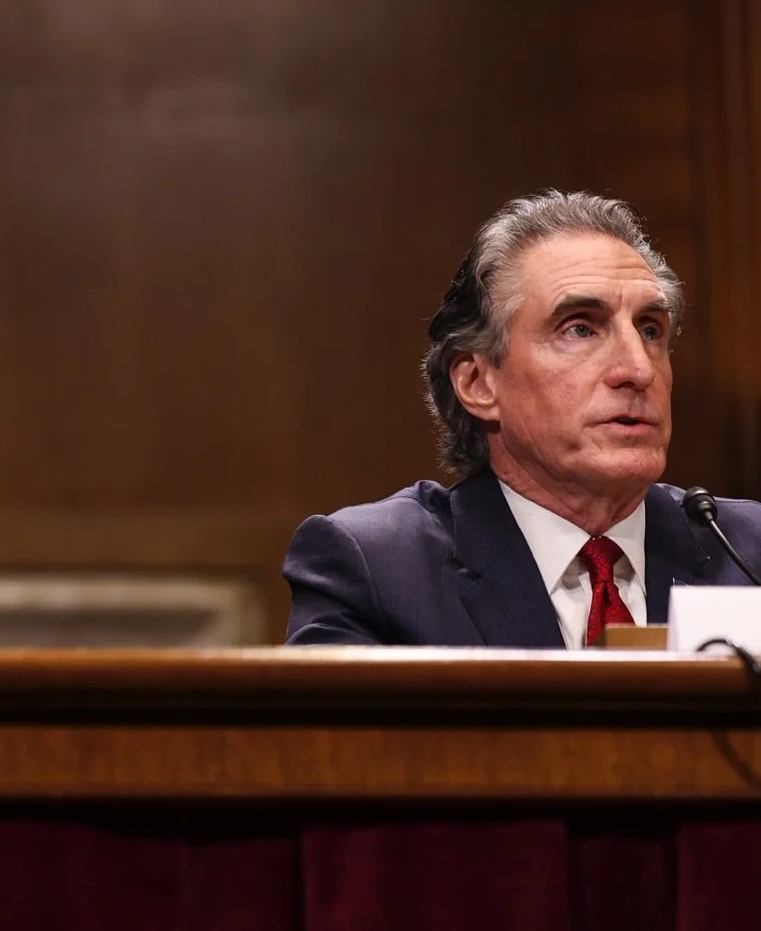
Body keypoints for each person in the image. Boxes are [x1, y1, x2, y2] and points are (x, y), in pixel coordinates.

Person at [283, 190, 761, 648]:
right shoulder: (378, 570)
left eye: (650, 330)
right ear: (477, 383)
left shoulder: (749, 554)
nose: (638, 369)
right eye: (580, 328)